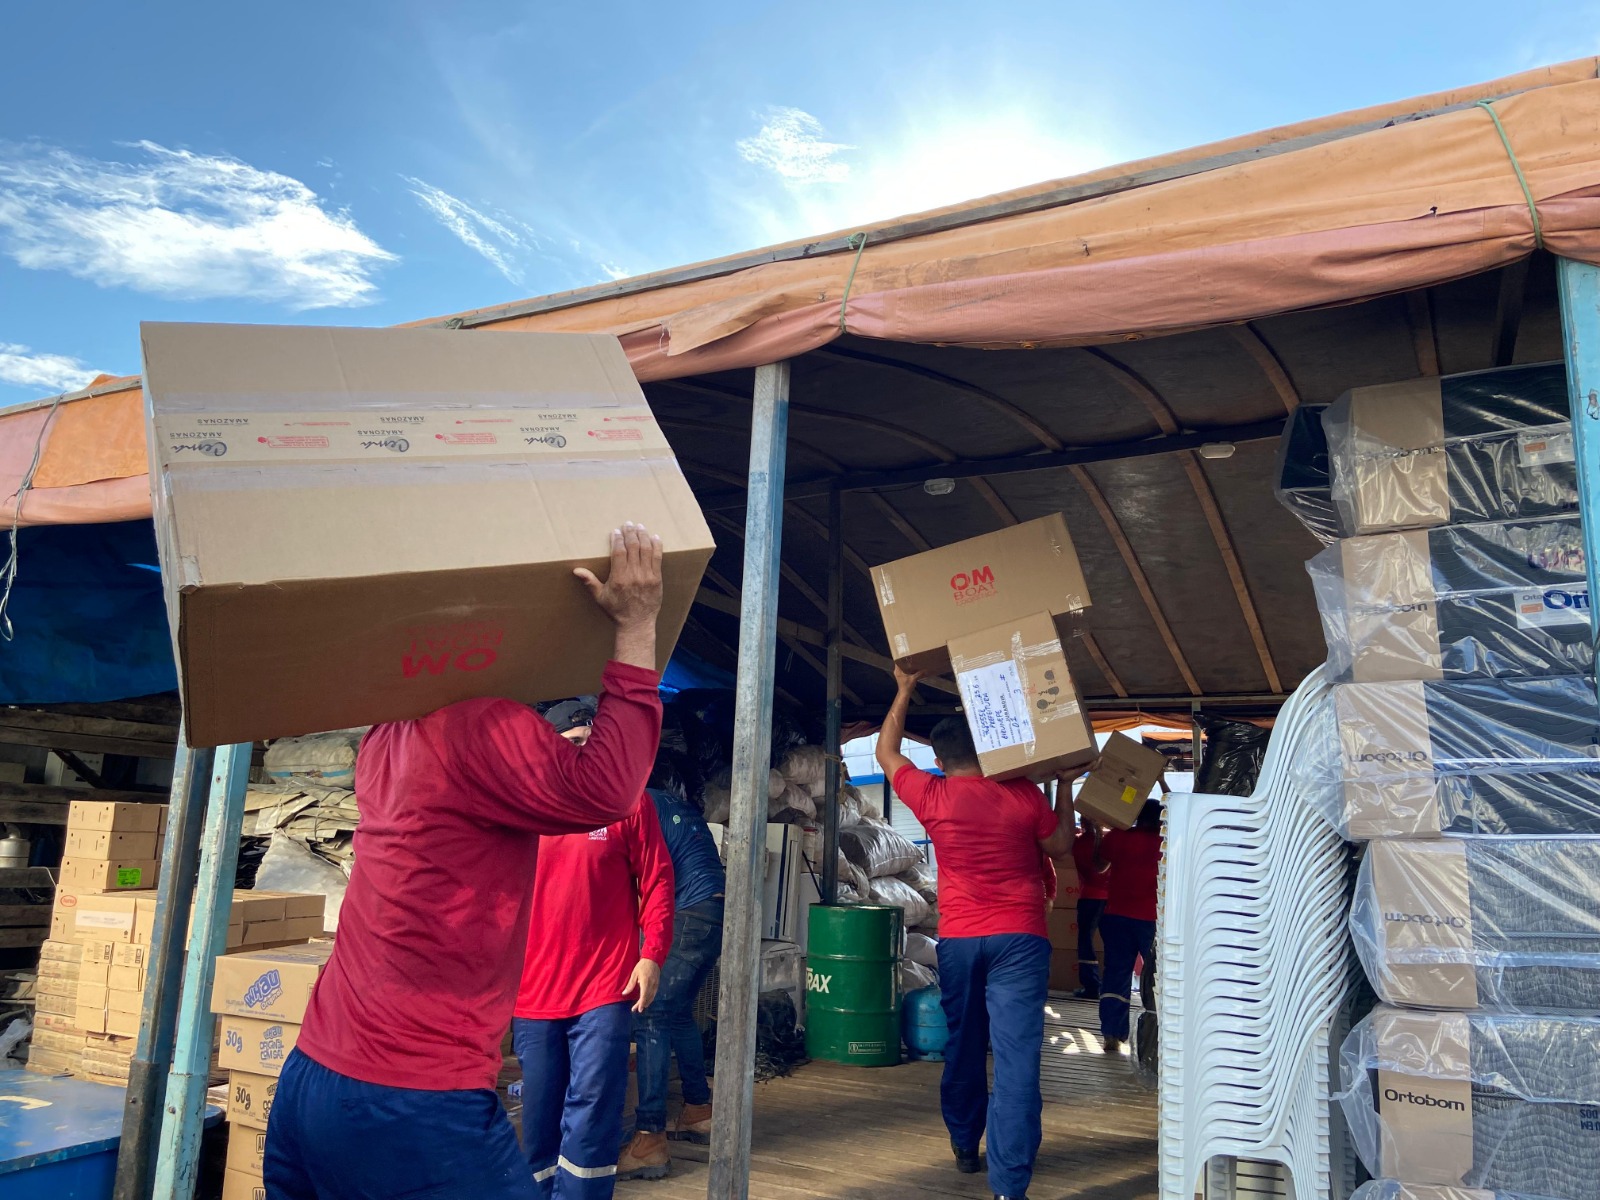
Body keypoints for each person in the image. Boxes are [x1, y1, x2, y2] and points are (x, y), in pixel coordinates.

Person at [265, 523, 666, 1200]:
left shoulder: (389, 734)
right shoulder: (478, 725)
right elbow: (605, 791)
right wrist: (635, 626)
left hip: (313, 1077)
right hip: (411, 1096)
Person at [876, 665, 1090, 1200]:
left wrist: (904, 688)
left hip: (961, 940)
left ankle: (964, 1145)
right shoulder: (1022, 794)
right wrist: (1065, 786)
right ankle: (1009, 1185)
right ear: (990, 752)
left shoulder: (932, 795)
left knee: (964, 1046)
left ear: (939, 760)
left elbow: (886, 751)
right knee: (1017, 1061)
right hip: (1020, 937)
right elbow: (1062, 846)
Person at [513, 700, 675, 1198]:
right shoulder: (521, 808)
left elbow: (658, 880)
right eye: (573, 742)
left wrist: (652, 955)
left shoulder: (628, 804)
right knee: (539, 1114)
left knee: (593, 1109)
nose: (583, 752)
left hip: (603, 988)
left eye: (591, 742)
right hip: (533, 991)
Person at [622, 759, 727, 1177]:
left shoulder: (640, 805)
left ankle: (649, 1137)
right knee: (679, 1014)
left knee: (650, 1013)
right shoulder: (678, 807)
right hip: (714, 915)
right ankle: (698, 1110)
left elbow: (642, 881)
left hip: (687, 914)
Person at [1095, 798, 1164, 1056]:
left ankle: (1111, 1034)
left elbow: (1099, 865)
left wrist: (1099, 832)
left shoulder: (1118, 836)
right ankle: (1156, 1036)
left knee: (1116, 973)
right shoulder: (1166, 842)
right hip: (1152, 920)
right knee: (1158, 976)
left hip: (1116, 916)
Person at [1070, 817, 1110, 1000]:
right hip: (1111, 899)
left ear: (1083, 823)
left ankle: (1092, 985)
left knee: (1085, 941)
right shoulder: (1108, 842)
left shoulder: (1079, 843)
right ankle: (1110, 986)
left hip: (1089, 898)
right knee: (1111, 942)